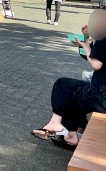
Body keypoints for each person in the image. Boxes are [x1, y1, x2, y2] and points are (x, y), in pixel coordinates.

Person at [31, 19, 106, 149]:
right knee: (63, 84)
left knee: (71, 96)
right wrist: (87, 40)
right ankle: (62, 125)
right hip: (100, 88)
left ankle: (70, 134)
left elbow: (96, 63)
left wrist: (85, 44)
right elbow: (96, 56)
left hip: (101, 94)